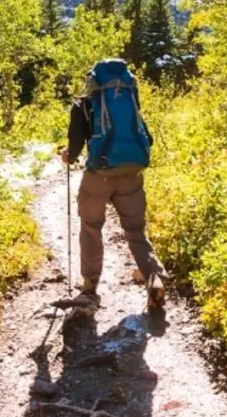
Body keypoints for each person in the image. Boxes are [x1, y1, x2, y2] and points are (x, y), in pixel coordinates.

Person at [61, 59, 168, 311]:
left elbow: (75, 148)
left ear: (93, 82)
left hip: (98, 176)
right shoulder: (129, 102)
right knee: (135, 231)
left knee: (90, 227)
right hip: (132, 173)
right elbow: (148, 139)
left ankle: (89, 285)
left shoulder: (83, 105)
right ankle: (154, 281)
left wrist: (68, 154)